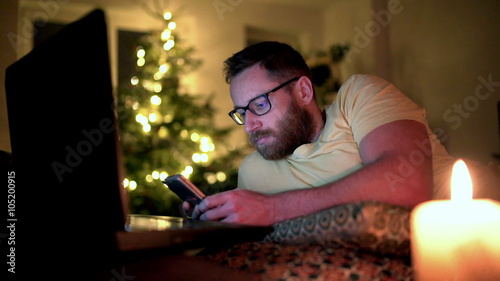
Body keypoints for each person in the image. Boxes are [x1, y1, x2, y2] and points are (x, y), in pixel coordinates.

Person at [185, 41, 457, 226]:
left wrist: (272, 208)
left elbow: (406, 183)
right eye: (242, 112)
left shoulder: (358, 97)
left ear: (303, 91)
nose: (249, 125)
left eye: (259, 104)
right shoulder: (253, 173)